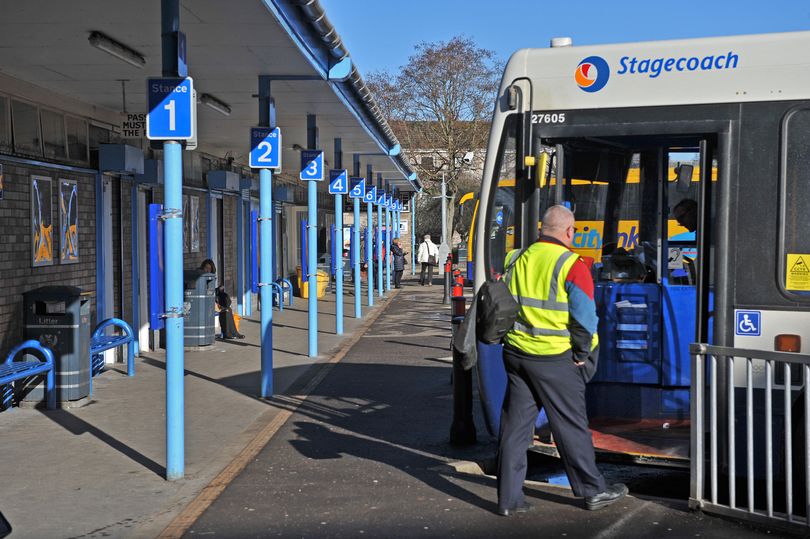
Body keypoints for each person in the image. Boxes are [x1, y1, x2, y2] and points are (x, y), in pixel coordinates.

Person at [496, 205, 627, 516]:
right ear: (570, 232)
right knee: (571, 425)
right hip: (553, 358)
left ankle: (509, 499)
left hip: (515, 354)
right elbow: (585, 320)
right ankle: (593, 491)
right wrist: (582, 354)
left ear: (542, 229)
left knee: (515, 427)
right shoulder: (572, 265)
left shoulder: (514, 258)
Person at [200, 259, 244, 340]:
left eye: (209, 268)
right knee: (225, 310)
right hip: (204, 303)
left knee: (228, 309)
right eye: (206, 268)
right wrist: (216, 290)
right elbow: (205, 292)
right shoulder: (201, 278)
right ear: (202, 267)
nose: (207, 270)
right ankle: (228, 333)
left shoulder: (210, 277)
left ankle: (233, 333)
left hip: (210, 301)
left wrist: (218, 289)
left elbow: (210, 292)